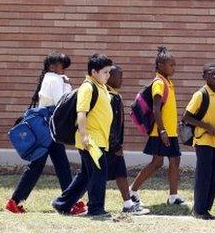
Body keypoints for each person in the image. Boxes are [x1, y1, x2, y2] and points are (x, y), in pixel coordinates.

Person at [6, 52, 83, 214]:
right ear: (52, 66)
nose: (64, 70)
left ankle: (70, 202)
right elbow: (62, 101)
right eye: (62, 65)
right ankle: (15, 202)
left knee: (59, 165)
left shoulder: (50, 78)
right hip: (48, 130)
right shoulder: (55, 79)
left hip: (47, 128)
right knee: (43, 166)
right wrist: (67, 85)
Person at [52, 53, 114, 217]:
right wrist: (85, 135)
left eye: (109, 72)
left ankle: (62, 204)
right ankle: (95, 208)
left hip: (99, 139)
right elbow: (81, 112)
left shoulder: (101, 86)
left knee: (86, 175)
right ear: (94, 72)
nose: (108, 75)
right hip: (91, 140)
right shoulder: (88, 87)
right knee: (99, 172)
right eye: (105, 72)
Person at [129, 47, 186, 207]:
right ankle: (132, 191)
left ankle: (173, 196)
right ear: (160, 65)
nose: (174, 68)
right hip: (161, 132)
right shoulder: (159, 83)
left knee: (173, 161)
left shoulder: (168, 82)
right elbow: (155, 108)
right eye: (171, 65)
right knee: (157, 163)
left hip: (169, 132)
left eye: (174, 65)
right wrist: (162, 131)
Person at [183, 63, 215, 220]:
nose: (214, 76)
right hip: (203, 140)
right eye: (210, 74)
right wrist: (206, 126)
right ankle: (198, 210)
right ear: (204, 77)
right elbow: (186, 117)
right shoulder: (200, 95)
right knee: (203, 176)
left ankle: (206, 209)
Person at [105, 66, 148, 214]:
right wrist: (115, 144)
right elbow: (108, 124)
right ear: (109, 77)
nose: (122, 80)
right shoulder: (108, 97)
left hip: (114, 144)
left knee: (120, 173)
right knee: (91, 177)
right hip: (109, 144)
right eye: (120, 77)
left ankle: (128, 204)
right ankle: (67, 201)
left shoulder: (115, 95)